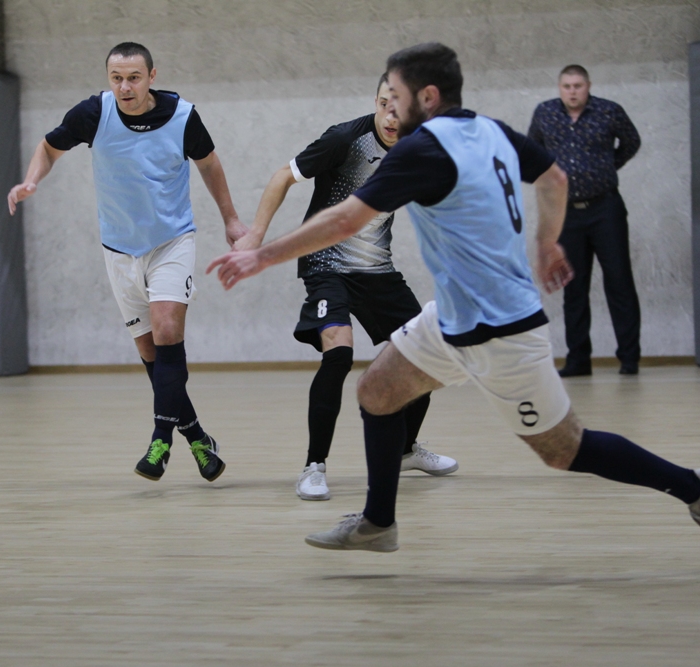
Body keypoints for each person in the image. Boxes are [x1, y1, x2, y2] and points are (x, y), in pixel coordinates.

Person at [208, 43, 700, 551]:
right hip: (453, 318)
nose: (390, 108)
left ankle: (693, 488)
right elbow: (554, 177)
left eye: (396, 96)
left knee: (563, 449)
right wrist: (546, 242)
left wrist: (261, 256)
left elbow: (346, 220)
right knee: (377, 391)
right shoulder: (491, 130)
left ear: (427, 96)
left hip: (500, 329)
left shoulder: (423, 148)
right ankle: (378, 524)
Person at [8, 42, 247, 482]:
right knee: (151, 353)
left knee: (168, 329)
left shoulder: (183, 117)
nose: (124, 87)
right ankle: (197, 437)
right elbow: (48, 147)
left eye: (134, 78)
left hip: (172, 241)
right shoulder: (93, 114)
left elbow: (209, 165)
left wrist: (231, 219)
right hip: (118, 250)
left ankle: (160, 441)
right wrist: (30, 180)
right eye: (116, 78)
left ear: (152, 76)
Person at [234, 73, 457, 502]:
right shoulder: (345, 139)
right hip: (326, 265)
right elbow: (282, 176)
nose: (390, 118)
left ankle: (406, 449)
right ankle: (313, 467)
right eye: (384, 105)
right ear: (375, 101)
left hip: (378, 272)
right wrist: (257, 235)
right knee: (338, 354)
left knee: (426, 354)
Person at [528, 65, 642, 377]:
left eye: (578, 85)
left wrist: (607, 167)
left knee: (619, 281)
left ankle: (629, 358)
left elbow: (631, 142)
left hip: (605, 208)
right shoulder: (545, 113)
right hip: (565, 213)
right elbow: (534, 151)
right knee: (573, 286)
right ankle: (578, 360)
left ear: (588, 85)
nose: (573, 91)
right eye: (567, 86)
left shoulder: (609, 111)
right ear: (559, 87)